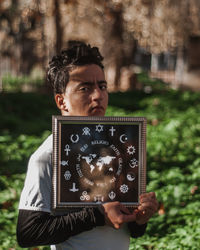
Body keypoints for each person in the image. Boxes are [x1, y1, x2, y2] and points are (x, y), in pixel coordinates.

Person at [17, 41, 158, 249]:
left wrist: (140, 217)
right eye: (85, 88)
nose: (98, 96)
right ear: (61, 101)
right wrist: (97, 215)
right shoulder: (48, 156)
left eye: (102, 86)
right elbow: (28, 232)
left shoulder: (117, 147)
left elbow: (129, 228)